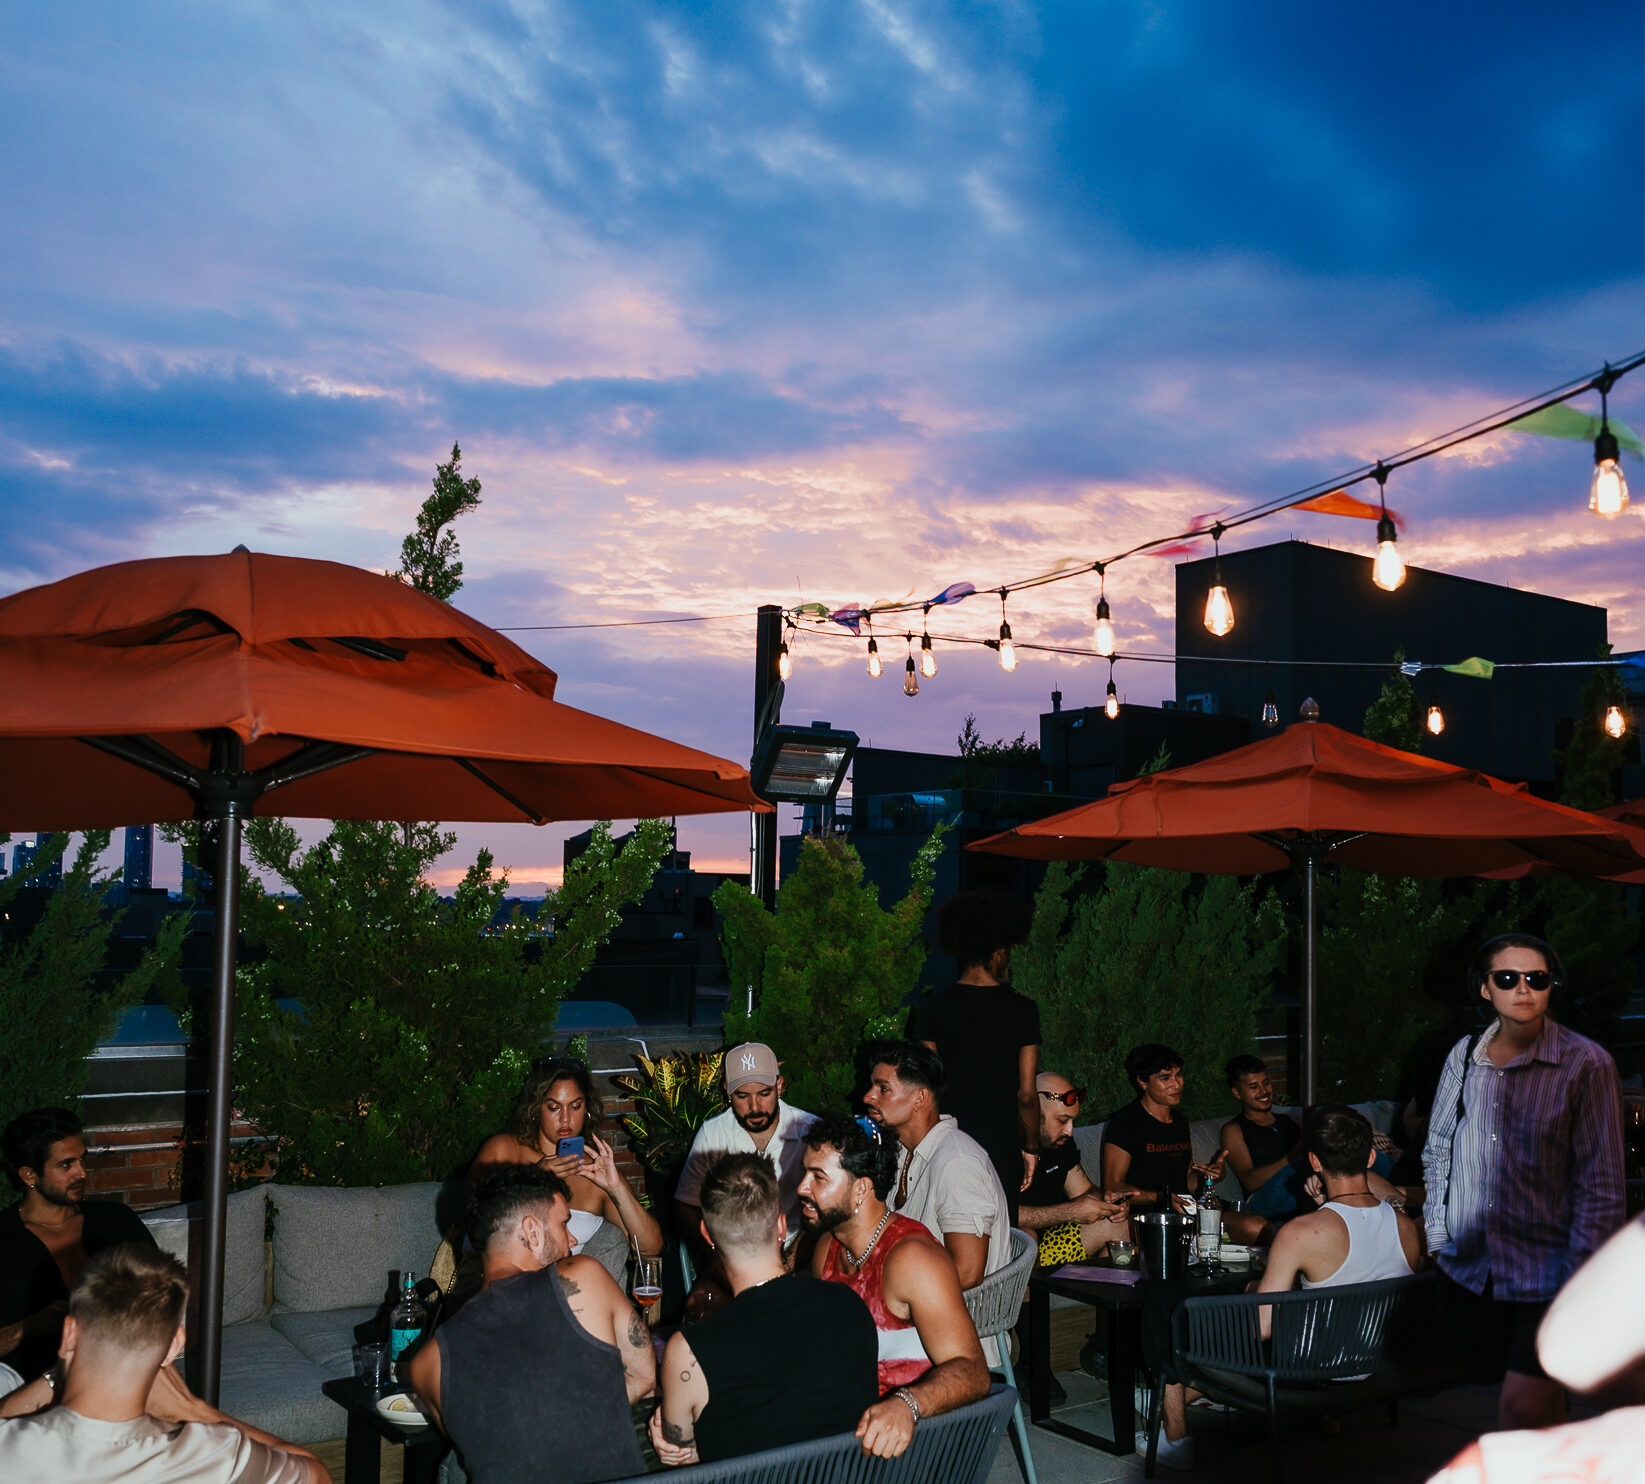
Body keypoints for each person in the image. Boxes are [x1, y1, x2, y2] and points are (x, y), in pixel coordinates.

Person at [1149, 1105, 1426, 1471]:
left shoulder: (1302, 1232)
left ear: (1314, 1161)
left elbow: (1261, 1329)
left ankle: (1175, 1439)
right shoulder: (1407, 1227)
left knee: (1165, 1303)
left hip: (1307, 1375)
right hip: (1376, 1368)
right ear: (1372, 1156)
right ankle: (1191, 1397)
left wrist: (1231, 1304)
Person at [1423, 933, 1624, 1432]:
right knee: (1529, 1396)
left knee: (1520, 1405)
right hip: (1472, 1267)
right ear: (1485, 989)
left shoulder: (1586, 1063)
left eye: (1537, 979)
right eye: (1507, 978)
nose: (1524, 989)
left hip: (1550, 1268)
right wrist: (1438, 1237)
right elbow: (1439, 1146)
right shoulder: (1465, 1055)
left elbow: (1602, 1180)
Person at [409, 1166, 655, 1484]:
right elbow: (644, 1376)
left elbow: (486, 1443)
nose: (573, 1237)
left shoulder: (426, 1365)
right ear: (533, 1232)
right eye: (564, 1223)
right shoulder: (582, 1277)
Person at [0, 1243, 326, 1482]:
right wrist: (192, 1409)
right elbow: (315, 1475)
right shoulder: (215, 1456)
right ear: (174, 1347)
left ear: (69, 1334)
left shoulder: (9, 1446)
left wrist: (58, 1374)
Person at [649, 1152, 877, 1467]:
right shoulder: (850, 1304)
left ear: (707, 1234)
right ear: (782, 1226)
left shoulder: (688, 1352)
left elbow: (683, 1455)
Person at [799, 1116, 990, 1458]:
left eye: (818, 1177)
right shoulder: (827, 1247)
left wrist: (907, 1404)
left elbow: (973, 1371)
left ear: (861, 1189)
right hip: (845, 1439)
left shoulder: (912, 1260)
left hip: (914, 1445)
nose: (801, 1187)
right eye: (805, 1173)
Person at [910, 890, 1040, 1221]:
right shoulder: (1022, 1010)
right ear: (997, 951)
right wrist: (1031, 1147)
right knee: (999, 1239)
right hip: (1001, 1147)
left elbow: (927, 1091)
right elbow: (1026, 1093)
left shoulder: (933, 1009)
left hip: (949, 1144)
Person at [1, 1107, 156, 1382]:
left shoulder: (117, 1221)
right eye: (66, 1165)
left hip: (124, 1376)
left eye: (82, 1160)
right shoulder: (5, 1239)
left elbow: (163, 1298)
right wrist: (31, 1326)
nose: (82, 1173)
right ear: (29, 1176)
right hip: (36, 1392)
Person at [470, 1056, 662, 1258]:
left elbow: (651, 1248)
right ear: (536, 1109)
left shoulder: (593, 1170)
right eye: (554, 1107)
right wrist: (534, 1180)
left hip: (564, 1285)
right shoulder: (503, 1149)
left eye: (575, 1106)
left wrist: (617, 1188)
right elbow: (476, 1222)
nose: (565, 1119)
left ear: (586, 1109)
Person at [673, 1042, 817, 1308]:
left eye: (764, 1093)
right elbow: (685, 1206)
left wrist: (795, 1256)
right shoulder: (713, 1133)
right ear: (727, 1092)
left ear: (780, 1086)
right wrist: (718, 1255)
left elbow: (826, 1209)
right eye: (742, 1096)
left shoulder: (810, 1130)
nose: (755, 1107)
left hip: (800, 1255)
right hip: (732, 1256)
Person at [861, 1041, 1009, 1290]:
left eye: (883, 1088)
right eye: (872, 1085)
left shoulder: (957, 1163)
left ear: (920, 1097)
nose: (868, 1096)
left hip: (952, 1319)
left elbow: (968, 1272)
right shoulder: (900, 1150)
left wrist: (891, 1301)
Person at [1100, 1045, 1268, 1245]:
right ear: (1142, 1081)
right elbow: (1113, 1187)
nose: (1176, 1084)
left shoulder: (1179, 1121)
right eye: (1165, 1078)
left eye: (1178, 1075)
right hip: (1149, 1217)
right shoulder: (1125, 1123)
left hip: (1187, 1210)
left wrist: (1211, 1176)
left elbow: (1187, 1181)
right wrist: (1161, 1198)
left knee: (1257, 1228)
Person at [1018, 1073, 1131, 1266]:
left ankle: (1102, 1293)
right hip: (1014, 1246)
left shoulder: (1061, 1142)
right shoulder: (1003, 1145)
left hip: (1053, 1242)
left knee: (1118, 1224)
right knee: (1026, 1239)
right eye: (1063, 1121)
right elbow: (1002, 1214)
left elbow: (1083, 1190)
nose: (1070, 1131)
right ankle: (1031, 1296)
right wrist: (1070, 1211)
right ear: (1034, 1113)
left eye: (1073, 1121)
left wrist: (1109, 1201)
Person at [1219, 1055, 1307, 1222]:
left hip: (1300, 1187)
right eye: (1254, 1087)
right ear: (1237, 1093)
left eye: (1266, 1083)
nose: (1264, 1091)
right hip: (1262, 1199)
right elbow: (1250, 1182)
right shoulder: (1234, 1129)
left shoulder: (1289, 1121)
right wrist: (1292, 1156)